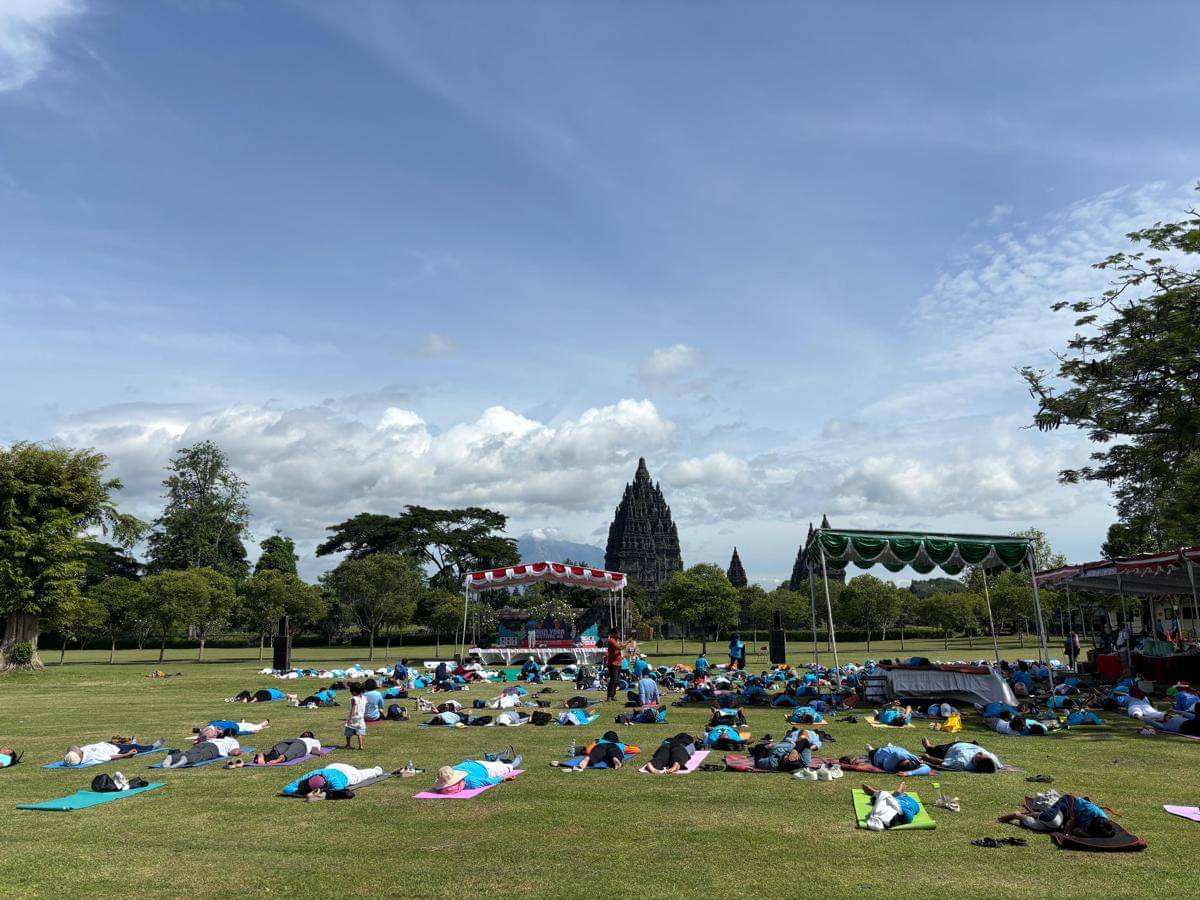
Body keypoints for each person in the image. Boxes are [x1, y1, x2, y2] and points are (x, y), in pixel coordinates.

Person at [999, 794, 1115, 838]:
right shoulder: (1092, 811)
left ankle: (1018, 816)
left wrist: (1085, 834)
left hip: (1066, 819)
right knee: (1054, 822)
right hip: (1065, 805)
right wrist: (1072, 816)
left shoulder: (1098, 828)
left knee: (1043, 827)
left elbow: (1076, 830)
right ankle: (1036, 814)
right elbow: (1071, 798)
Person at [287, 762, 386, 800]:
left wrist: (320, 794)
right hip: (333, 766)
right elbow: (287, 789)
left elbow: (341, 792)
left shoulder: (334, 781)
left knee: (365, 774)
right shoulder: (312, 773)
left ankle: (377, 770)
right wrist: (298, 791)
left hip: (350, 774)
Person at [432, 752, 522, 794]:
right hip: (472, 764)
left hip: (487, 768)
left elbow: (488, 781)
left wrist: (503, 778)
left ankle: (510, 761)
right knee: (497, 763)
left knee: (509, 767)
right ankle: (497, 758)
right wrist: (502, 778)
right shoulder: (448, 772)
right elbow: (489, 781)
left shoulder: (471, 781)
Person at [63, 737, 164, 767]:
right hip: (117, 749)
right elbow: (110, 757)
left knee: (123, 740)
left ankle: (129, 744)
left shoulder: (81, 751)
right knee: (135, 746)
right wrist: (126, 755)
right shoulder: (93, 758)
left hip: (108, 744)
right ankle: (152, 747)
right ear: (79, 757)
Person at [919, 737, 1000, 772]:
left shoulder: (961, 762)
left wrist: (928, 758)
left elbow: (942, 762)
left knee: (936, 750)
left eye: (979, 755)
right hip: (969, 745)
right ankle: (958, 741)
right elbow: (999, 766)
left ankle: (929, 747)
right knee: (975, 744)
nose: (981, 753)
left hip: (950, 749)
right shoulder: (993, 759)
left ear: (977, 763)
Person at [162, 735, 241, 768]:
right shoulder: (234, 741)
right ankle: (186, 760)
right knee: (202, 755)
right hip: (215, 748)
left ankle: (172, 758)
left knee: (189, 752)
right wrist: (240, 752)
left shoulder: (219, 738)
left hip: (204, 743)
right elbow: (234, 752)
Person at [250, 732, 321, 766]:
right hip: (302, 744)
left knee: (276, 750)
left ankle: (262, 755)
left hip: (288, 741)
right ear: (312, 737)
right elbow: (314, 750)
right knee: (290, 753)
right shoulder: (314, 741)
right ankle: (277, 760)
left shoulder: (297, 738)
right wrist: (320, 753)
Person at [864, 742, 931, 775]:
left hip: (878, 753)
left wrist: (915, 758)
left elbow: (897, 754)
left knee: (871, 752)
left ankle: (870, 749)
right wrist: (910, 773)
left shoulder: (890, 765)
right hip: (892, 749)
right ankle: (891, 746)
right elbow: (927, 768)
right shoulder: (911, 766)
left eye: (905, 760)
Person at [605, 629, 630, 702]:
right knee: (613, 680)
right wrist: (627, 642)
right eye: (618, 633)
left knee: (616, 680)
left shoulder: (616, 640)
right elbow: (620, 648)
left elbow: (621, 646)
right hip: (613, 664)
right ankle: (609, 696)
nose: (619, 634)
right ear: (613, 634)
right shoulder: (611, 640)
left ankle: (613, 695)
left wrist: (625, 643)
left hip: (618, 663)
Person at [193, 719, 268, 741]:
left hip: (236, 725)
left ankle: (261, 725)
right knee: (255, 728)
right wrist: (249, 732)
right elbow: (237, 733)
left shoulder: (212, 727)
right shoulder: (214, 727)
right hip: (236, 725)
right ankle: (261, 725)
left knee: (253, 727)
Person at [344, 683, 367, 750]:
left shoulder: (353, 699)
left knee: (348, 732)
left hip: (353, 717)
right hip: (360, 718)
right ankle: (361, 746)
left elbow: (353, 708)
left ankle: (348, 744)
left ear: (354, 692)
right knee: (359, 733)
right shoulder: (364, 698)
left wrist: (350, 718)